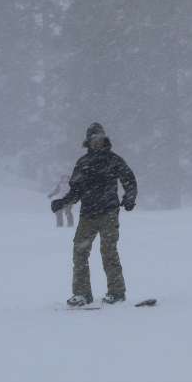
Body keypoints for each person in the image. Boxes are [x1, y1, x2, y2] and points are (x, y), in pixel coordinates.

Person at [51, 123, 137, 306]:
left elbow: (129, 180)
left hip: (109, 213)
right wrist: (63, 202)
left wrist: (129, 197)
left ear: (104, 139)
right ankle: (82, 294)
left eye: (100, 138)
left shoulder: (114, 160)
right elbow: (76, 191)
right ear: (88, 141)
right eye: (93, 139)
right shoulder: (83, 163)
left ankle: (116, 292)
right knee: (79, 251)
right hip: (88, 215)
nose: (97, 142)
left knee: (108, 251)